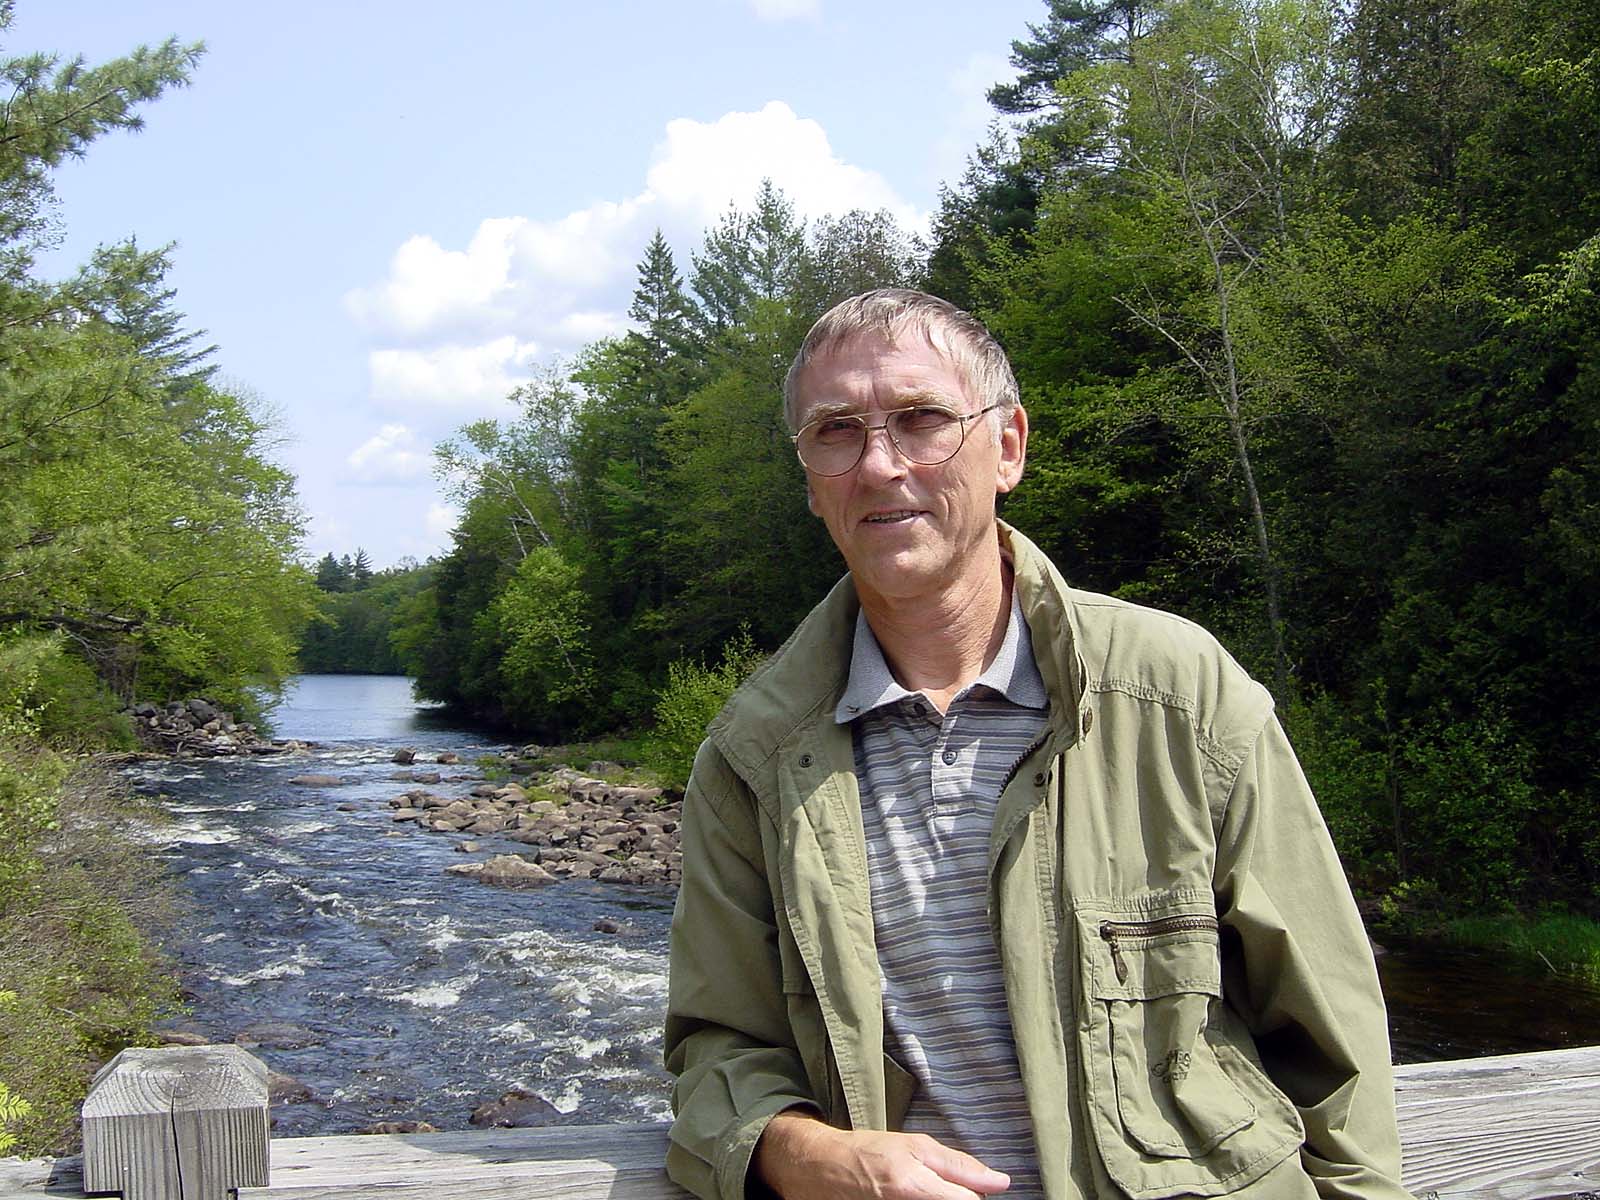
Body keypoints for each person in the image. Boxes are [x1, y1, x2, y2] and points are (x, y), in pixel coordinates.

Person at [663, 288, 1414, 1200]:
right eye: (836, 432)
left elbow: (1334, 1041)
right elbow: (718, 1048)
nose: (879, 464)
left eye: (921, 419)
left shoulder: (1182, 694)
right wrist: (799, 1150)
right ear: (811, 481)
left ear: (1007, 446)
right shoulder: (753, 754)